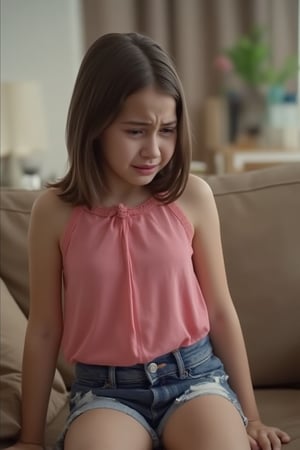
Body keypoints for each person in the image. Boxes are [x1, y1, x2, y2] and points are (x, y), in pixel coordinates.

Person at [7, 32, 291, 450]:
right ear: (96, 124)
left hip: (195, 379)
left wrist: (252, 417)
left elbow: (220, 311)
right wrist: (30, 439)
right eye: (136, 131)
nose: (154, 150)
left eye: (168, 130)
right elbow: (45, 329)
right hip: (105, 393)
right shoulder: (54, 212)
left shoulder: (192, 197)